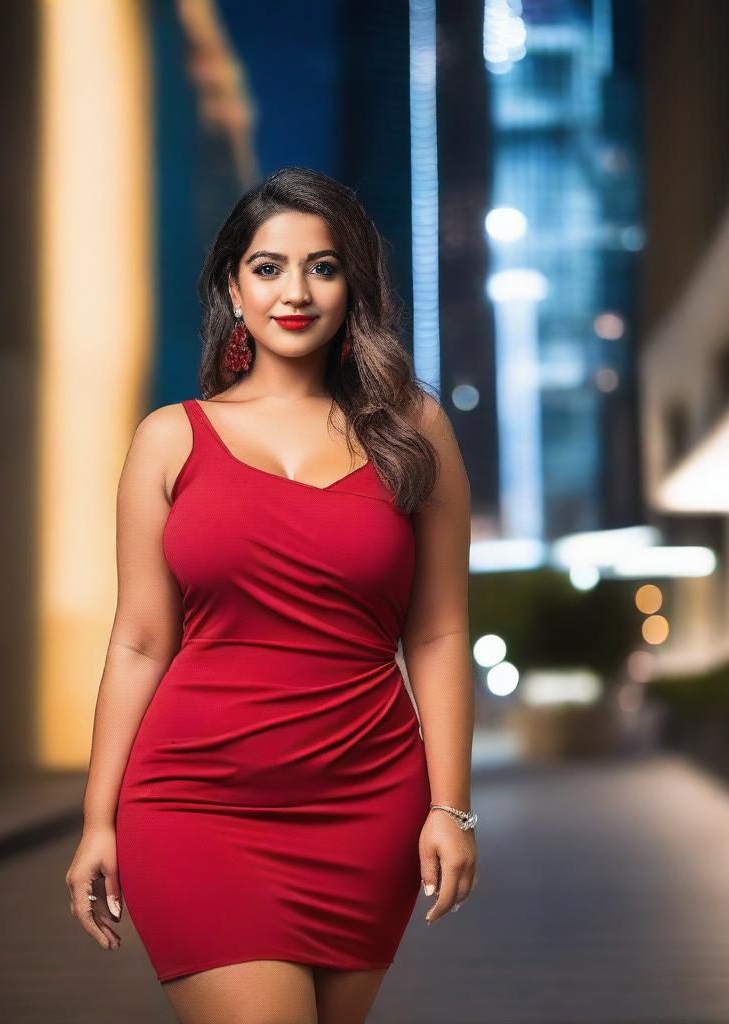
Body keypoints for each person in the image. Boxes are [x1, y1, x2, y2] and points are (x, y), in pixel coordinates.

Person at [66, 166, 477, 1024]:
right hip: (194, 800)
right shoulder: (169, 439)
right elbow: (139, 639)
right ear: (232, 285)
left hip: (367, 798)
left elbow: (437, 635)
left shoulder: (413, 431)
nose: (296, 291)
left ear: (353, 286)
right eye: (268, 267)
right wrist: (97, 820)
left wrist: (450, 806)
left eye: (323, 267)